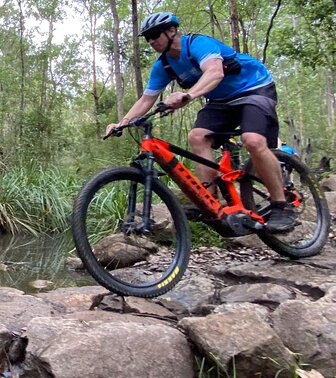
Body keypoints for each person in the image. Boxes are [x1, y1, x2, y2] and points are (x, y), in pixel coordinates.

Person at [106, 12, 297, 232]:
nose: (151, 41)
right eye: (147, 38)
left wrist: (188, 96)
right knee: (197, 136)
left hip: (254, 89)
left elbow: (215, 73)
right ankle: (211, 202)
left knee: (252, 141)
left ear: (171, 31)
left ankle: (282, 206)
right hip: (221, 101)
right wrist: (121, 123)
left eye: (154, 35)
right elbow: (147, 99)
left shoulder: (198, 44)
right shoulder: (164, 65)